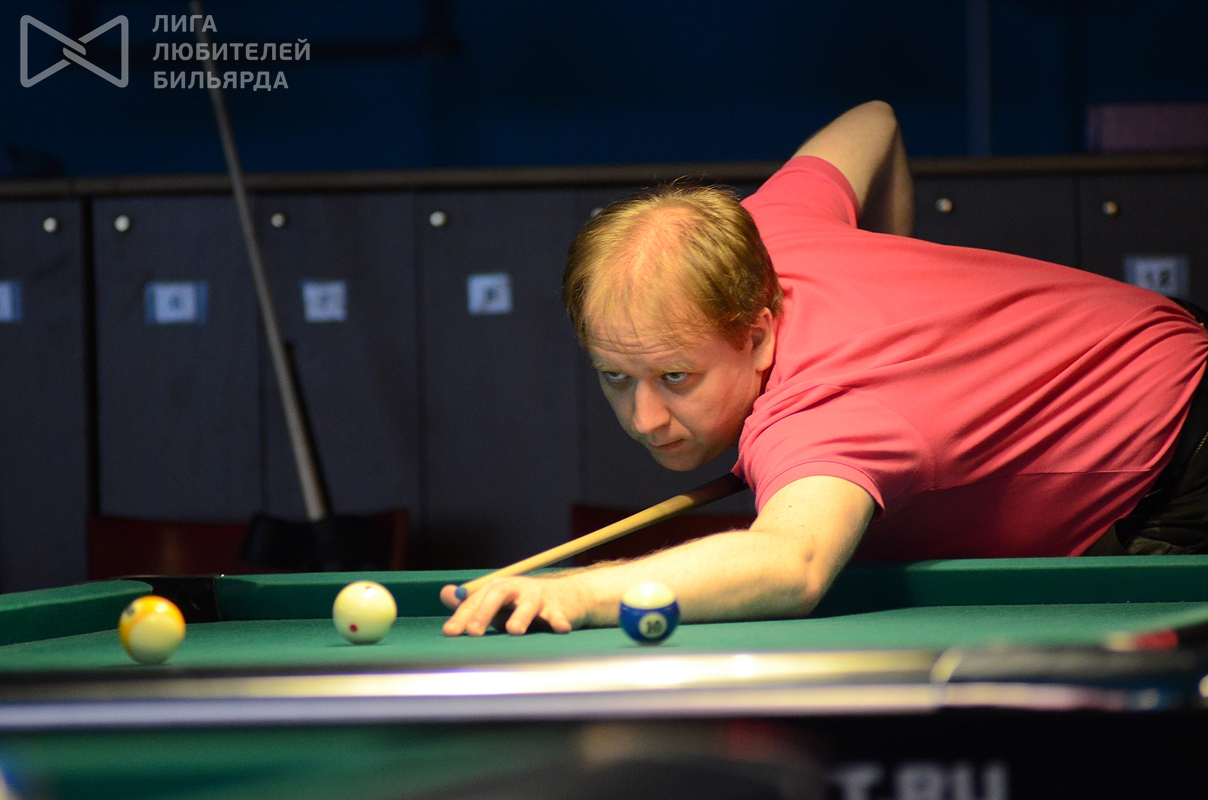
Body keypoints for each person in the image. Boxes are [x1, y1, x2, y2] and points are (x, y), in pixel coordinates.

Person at [441, 101, 1208, 637]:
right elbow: (875, 121)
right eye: (616, 377)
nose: (644, 419)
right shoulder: (763, 230)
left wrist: (579, 592)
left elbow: (791, 564)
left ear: (758, 335)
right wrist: (895, 292)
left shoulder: (821, 414)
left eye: (675, 378)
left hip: (1181, 450)